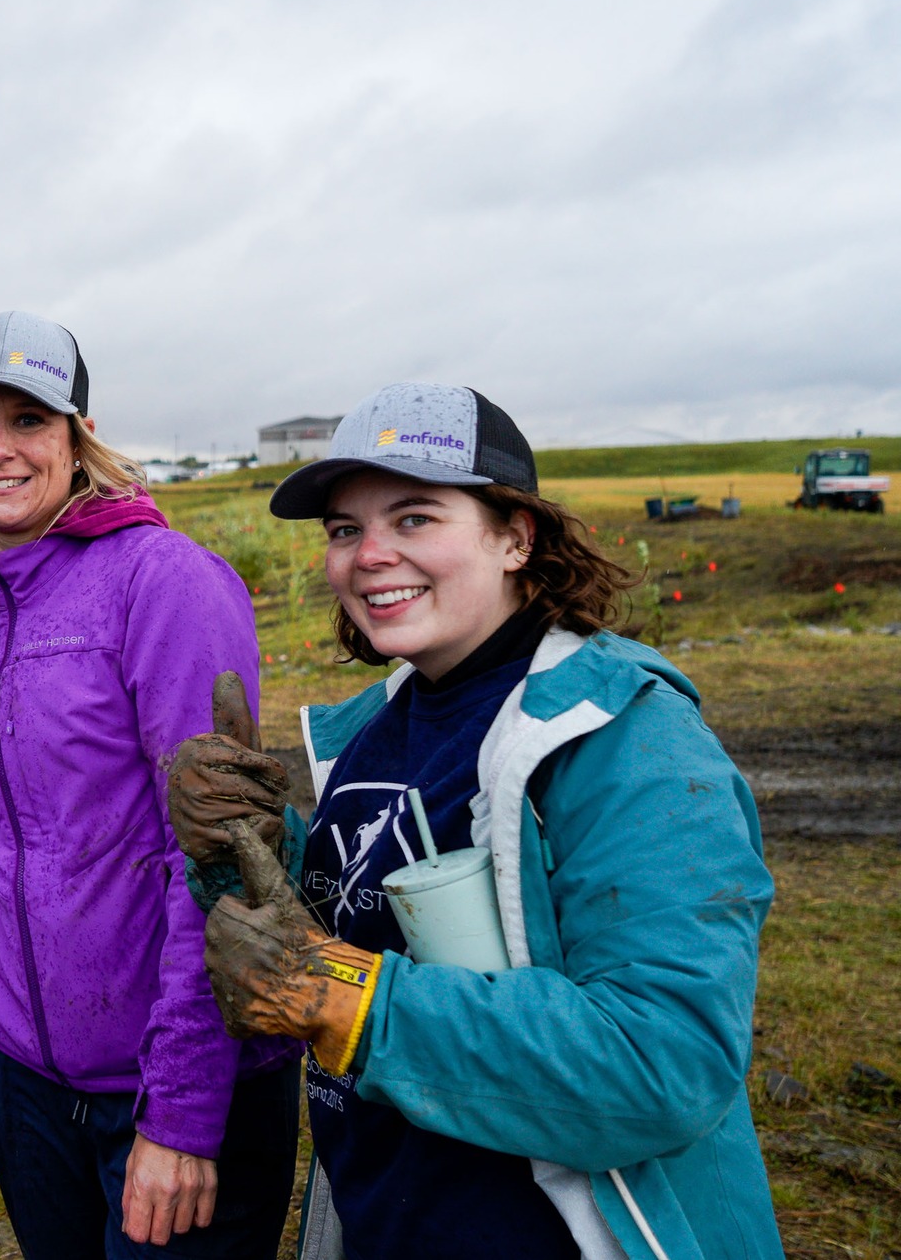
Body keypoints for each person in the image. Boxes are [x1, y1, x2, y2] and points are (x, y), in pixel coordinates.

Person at [172, 382, 783, 1260]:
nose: (369, 553)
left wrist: (349, 1002)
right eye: (346, 528)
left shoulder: (626, 738)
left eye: (414, 517)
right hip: (388, 1218)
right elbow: (348, 925)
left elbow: (665, 1062)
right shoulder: (382, 724)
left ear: (514, 535)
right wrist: (246, 846)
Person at [0, 311, 302, 1260]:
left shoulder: (164, 582)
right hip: (23, 1078)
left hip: (166, 1089)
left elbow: (217, 861)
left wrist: (180, 1114)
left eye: (29, 420)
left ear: (77, 435)